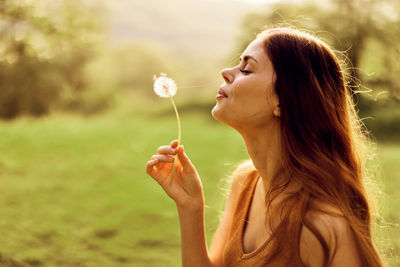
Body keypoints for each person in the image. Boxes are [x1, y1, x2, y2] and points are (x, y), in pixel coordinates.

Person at [145, 27, 383, 267]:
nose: (226, 72)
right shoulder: (245, 182)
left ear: (284, 101)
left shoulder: (323, 226)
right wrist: (190, 207)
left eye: (246, 69)